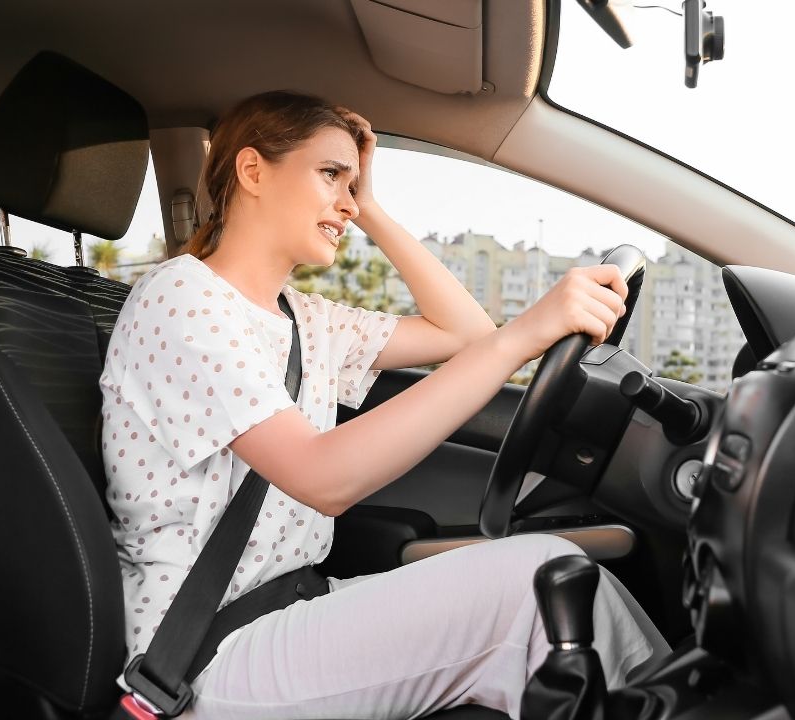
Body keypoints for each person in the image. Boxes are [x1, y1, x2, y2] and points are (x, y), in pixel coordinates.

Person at [99, 91, 668, 720]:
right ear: (253, 171)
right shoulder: (182, 297)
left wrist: (370, 208)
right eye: (330, 175)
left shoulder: (302, 318)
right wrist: (525, 333)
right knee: (541, 582)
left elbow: (466, 335)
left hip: (292, 608)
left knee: (554, 583)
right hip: (204, 652)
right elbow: (324, 476)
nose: (346, 199)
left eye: (353, 182)